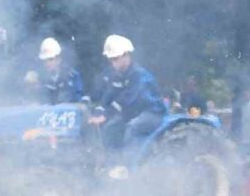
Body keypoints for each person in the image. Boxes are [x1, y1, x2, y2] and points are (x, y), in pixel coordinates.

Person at [89, 35, 167, 163]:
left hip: (152, 113)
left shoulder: (139, 75)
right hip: (133, 112)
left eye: (115, 58)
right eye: (111, 59)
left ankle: (130, 166)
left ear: (126, 55)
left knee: (133, 127)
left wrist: (106, 115)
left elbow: (128, 100)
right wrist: (99, 112)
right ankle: (112, 164)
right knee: (110, 128)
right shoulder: (118, 75)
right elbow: (109, 95)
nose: (113, 62)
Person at [36, 37, 85, 104]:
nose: (47, 63)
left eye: (50, 59)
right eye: (45, 60)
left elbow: (79, 101)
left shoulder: (72, 76)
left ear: (58, 60)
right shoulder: (41, 79)